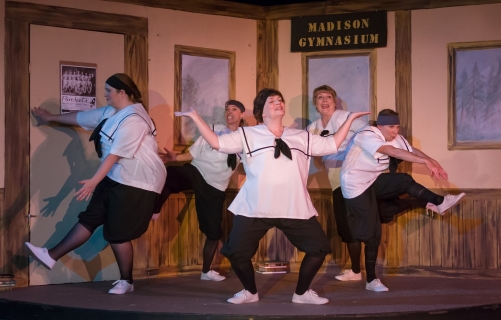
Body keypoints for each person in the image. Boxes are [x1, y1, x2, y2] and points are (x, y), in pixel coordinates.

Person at [175, 88, 369, 305]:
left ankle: (302, 293)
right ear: (262, 111)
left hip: (293, 207)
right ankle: (250, 291)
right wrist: (195, 117)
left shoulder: (302, 135)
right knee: (236, 252)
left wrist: (350, 119)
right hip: (256, 206)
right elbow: (217, 143)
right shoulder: (248, 134)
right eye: (272, 101)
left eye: (280, 100)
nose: (278, 103)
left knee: (318, 249)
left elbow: (331, 144)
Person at [25, 73, 166, 295]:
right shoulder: (112, 112)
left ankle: (126, 281)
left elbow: (116, 154)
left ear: (122, 93)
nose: (104, 95)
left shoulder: (135, 119)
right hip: (116, 175)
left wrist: (93, 181)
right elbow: (82, 117)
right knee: (91, 217)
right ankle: (50, 256)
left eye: (108, 91)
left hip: (138, 181)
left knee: (117, 232)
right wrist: (50, 117)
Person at [335, 109, 465, 292]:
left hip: (373, 182)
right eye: (391, 127)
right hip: (355, 188)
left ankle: (439, 201)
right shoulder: (366, 135)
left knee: (403, 181)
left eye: (397, 126)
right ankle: (371, 280)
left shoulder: (394, 137)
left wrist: (431, 160)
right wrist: (424, 163)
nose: (395, 131)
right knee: (374, 234)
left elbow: (410, 149)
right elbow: (391, 151)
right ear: (379, 126)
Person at [153, 100, 246, 281]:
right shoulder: (212, 128)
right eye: (227, 109)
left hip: (216, 186)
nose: (229, 112)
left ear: (242, 114)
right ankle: (155, 208)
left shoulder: (248, 137)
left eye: (234, 109)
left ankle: (206, 272)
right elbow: (194, 153)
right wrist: (176, 157)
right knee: (168, 174)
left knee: (213, 232)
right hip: (197, 171)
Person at [307, 85, 367, 189]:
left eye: (329, 97)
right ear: (315, 103)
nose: (325, 100)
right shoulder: (312, 128)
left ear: (335, 102)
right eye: (320, 97)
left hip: (356, 172)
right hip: (334, 175)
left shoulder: (347, 117)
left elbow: (368, 131)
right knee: (340, 203)